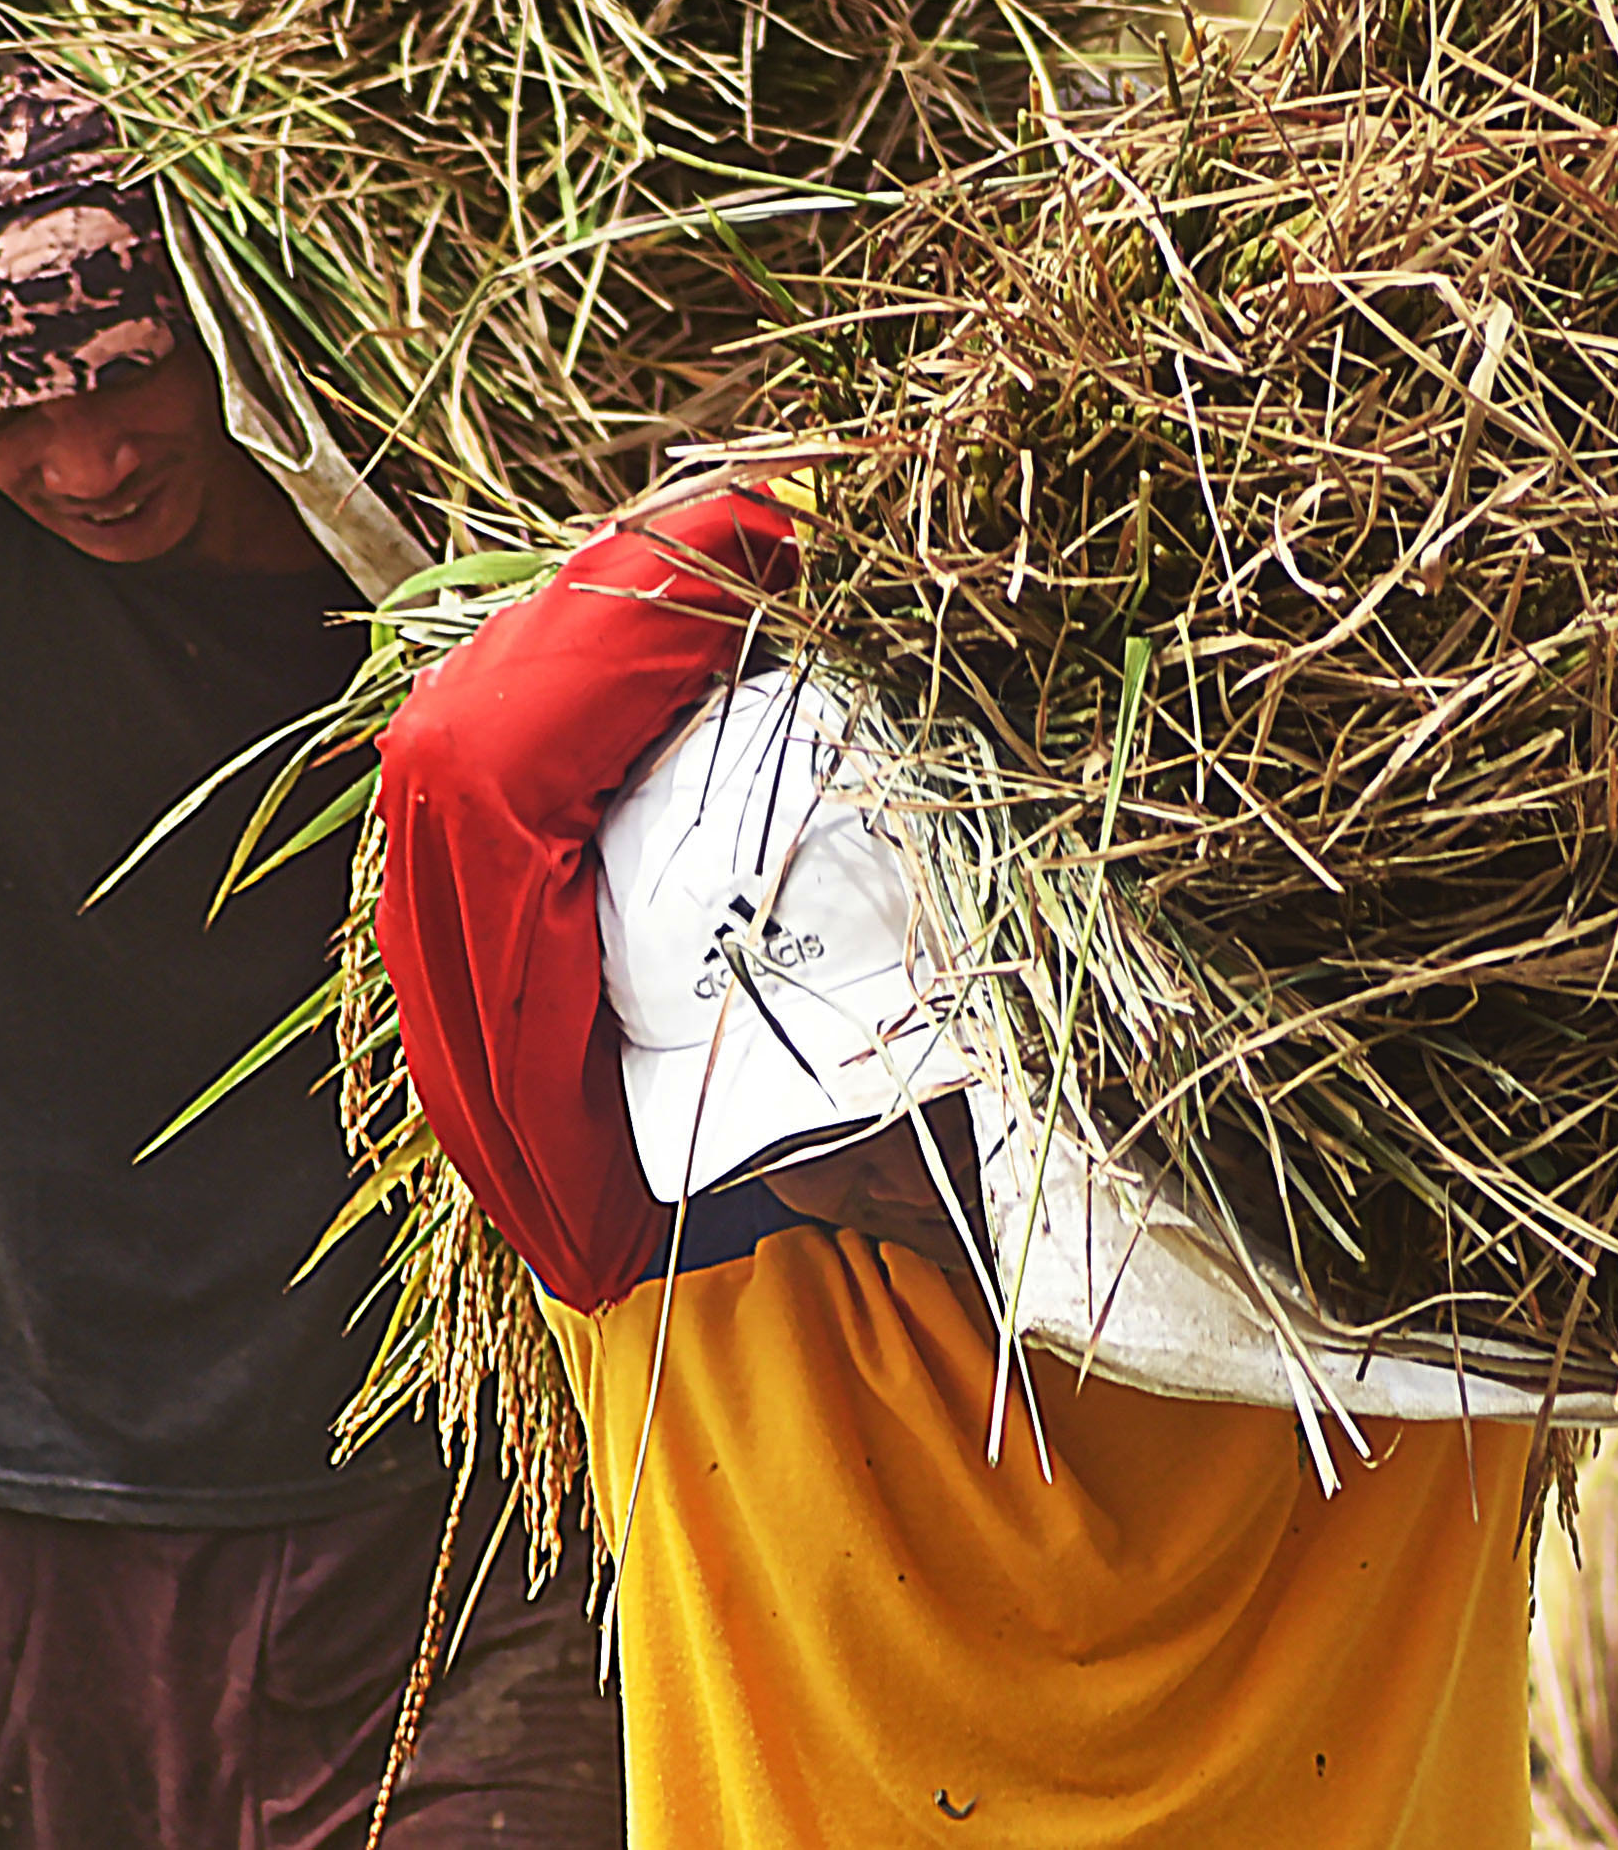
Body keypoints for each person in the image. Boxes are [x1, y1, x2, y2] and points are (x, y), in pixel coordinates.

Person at [0, 0, 623, 1849]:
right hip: (44, 1460)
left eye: (125, 385)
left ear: (217, 334)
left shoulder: (428, 575)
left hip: (435, 1475)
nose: (84, 462)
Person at [368, 479, 1542, 1849]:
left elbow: (479, 758)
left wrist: (814, 520)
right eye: (797, 1137)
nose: (861, 1175)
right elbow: (447, 768)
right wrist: (865, 504)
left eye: (915, 1112)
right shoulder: (674, 1270)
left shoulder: (1405, 1244)